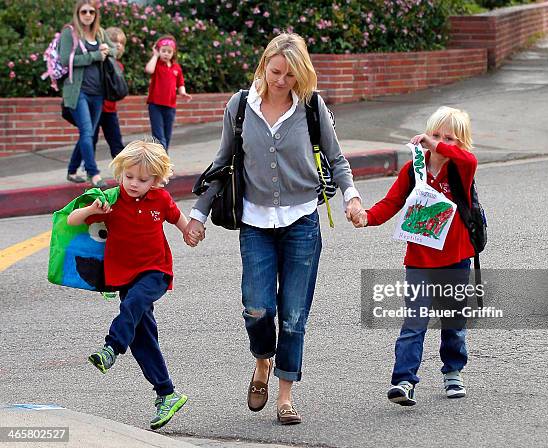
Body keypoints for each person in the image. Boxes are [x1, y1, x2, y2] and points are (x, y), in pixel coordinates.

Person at [185, 33, 364, 424]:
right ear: (264, 65)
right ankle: (262, 361)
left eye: (290, 74)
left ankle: (285, 396)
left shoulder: (312, 107)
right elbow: (221, 165)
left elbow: (337, 160)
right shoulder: (238, 107)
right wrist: (197, 217)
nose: (281, 81)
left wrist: (351, 198)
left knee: (295, 314)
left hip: (302, 221)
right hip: (256, 224)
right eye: (276, 71)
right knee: (257, 308)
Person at [66, 138, 199, 430]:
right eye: (129, 176)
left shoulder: (160, 200)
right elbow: (72, 220)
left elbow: (178, 218)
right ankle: (167, 393)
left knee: (135, 303)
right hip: (123, 276)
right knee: (142, 337)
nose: (134, 183)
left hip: (155, 271)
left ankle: (111, 347)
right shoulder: (111, 200)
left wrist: (189, 231)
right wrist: (90, 210)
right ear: (120, 171)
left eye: (143, 179)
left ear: (156, 179)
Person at [352, 106, 478, 406]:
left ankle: (453, 371)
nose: (439, 142)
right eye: (435, 135)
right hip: (420, 260)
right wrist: (367, 217)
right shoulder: (414, 169)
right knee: (414, 321)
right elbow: (393, 201)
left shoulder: (461, 168)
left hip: (456, 258)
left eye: (450, 139)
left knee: (453, 321)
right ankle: (404, 380)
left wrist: (439, 146)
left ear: (460, 144)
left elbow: (469, 158)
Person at [61, 0, 115, 188]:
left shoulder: (99, 33)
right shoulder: (70, 32)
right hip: (78, 92)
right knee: (86, 131)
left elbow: (115, 50)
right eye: (84, 11)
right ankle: (93, 173)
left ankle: (72, 170)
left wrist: (107, 50)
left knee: (89, 133)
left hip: (98, 93)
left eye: (91, 12)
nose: (88, 15)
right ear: (78, 13)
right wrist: (94, 56)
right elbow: (64, 59)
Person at [145, 35, 192, 151]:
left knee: (167, 136)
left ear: (173, 53)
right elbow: (148, 70)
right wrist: (155, 56)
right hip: (155, 105)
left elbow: (180, 83)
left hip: (170, 106)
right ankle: (163, 162)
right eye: (163, 51)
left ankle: (162, 161)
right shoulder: (156, 65)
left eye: (169, 51)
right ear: (158, 51)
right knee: (159, 136)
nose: (166, 54)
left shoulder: (176, 68)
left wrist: (183, 92)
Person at [92, 26, 126, 159]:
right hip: (96, 107)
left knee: (116, 141)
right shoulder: (100, 62)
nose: (118, 45)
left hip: (110, 110)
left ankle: (124, 169)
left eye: (121, 43)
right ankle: (87, 166)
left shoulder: (118, 65)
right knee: (90, 139)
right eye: (114, 41)